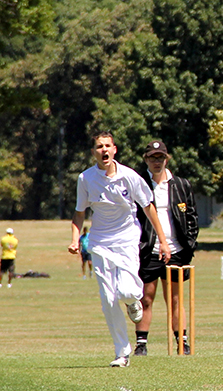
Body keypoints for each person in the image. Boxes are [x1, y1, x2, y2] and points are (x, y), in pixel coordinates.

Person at [68, 132, 171, 368]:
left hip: (126, 239)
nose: (103, 150)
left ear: (114, 149)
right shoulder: (85, 179)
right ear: (94, 152)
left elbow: (148, 207)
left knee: (126, 291)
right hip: (100, 242)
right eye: (98, 147)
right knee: (108, 298)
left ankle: (133, 300)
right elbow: (79, 212)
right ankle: (122, 352)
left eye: (107, 146)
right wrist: (75, 240)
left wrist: (163, 242)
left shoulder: (129, 176)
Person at [134, 140, 199, 356]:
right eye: (153, 157)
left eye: (160, 157)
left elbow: (191, 217)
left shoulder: (181, 184)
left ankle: (182, 341)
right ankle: (141, 344)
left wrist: (189, 243)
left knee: (175, 299)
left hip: (177, 251)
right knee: (146, 297)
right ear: (146, 159)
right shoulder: (140, 183)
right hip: (149, 250)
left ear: (167, 159)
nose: (157, 161)